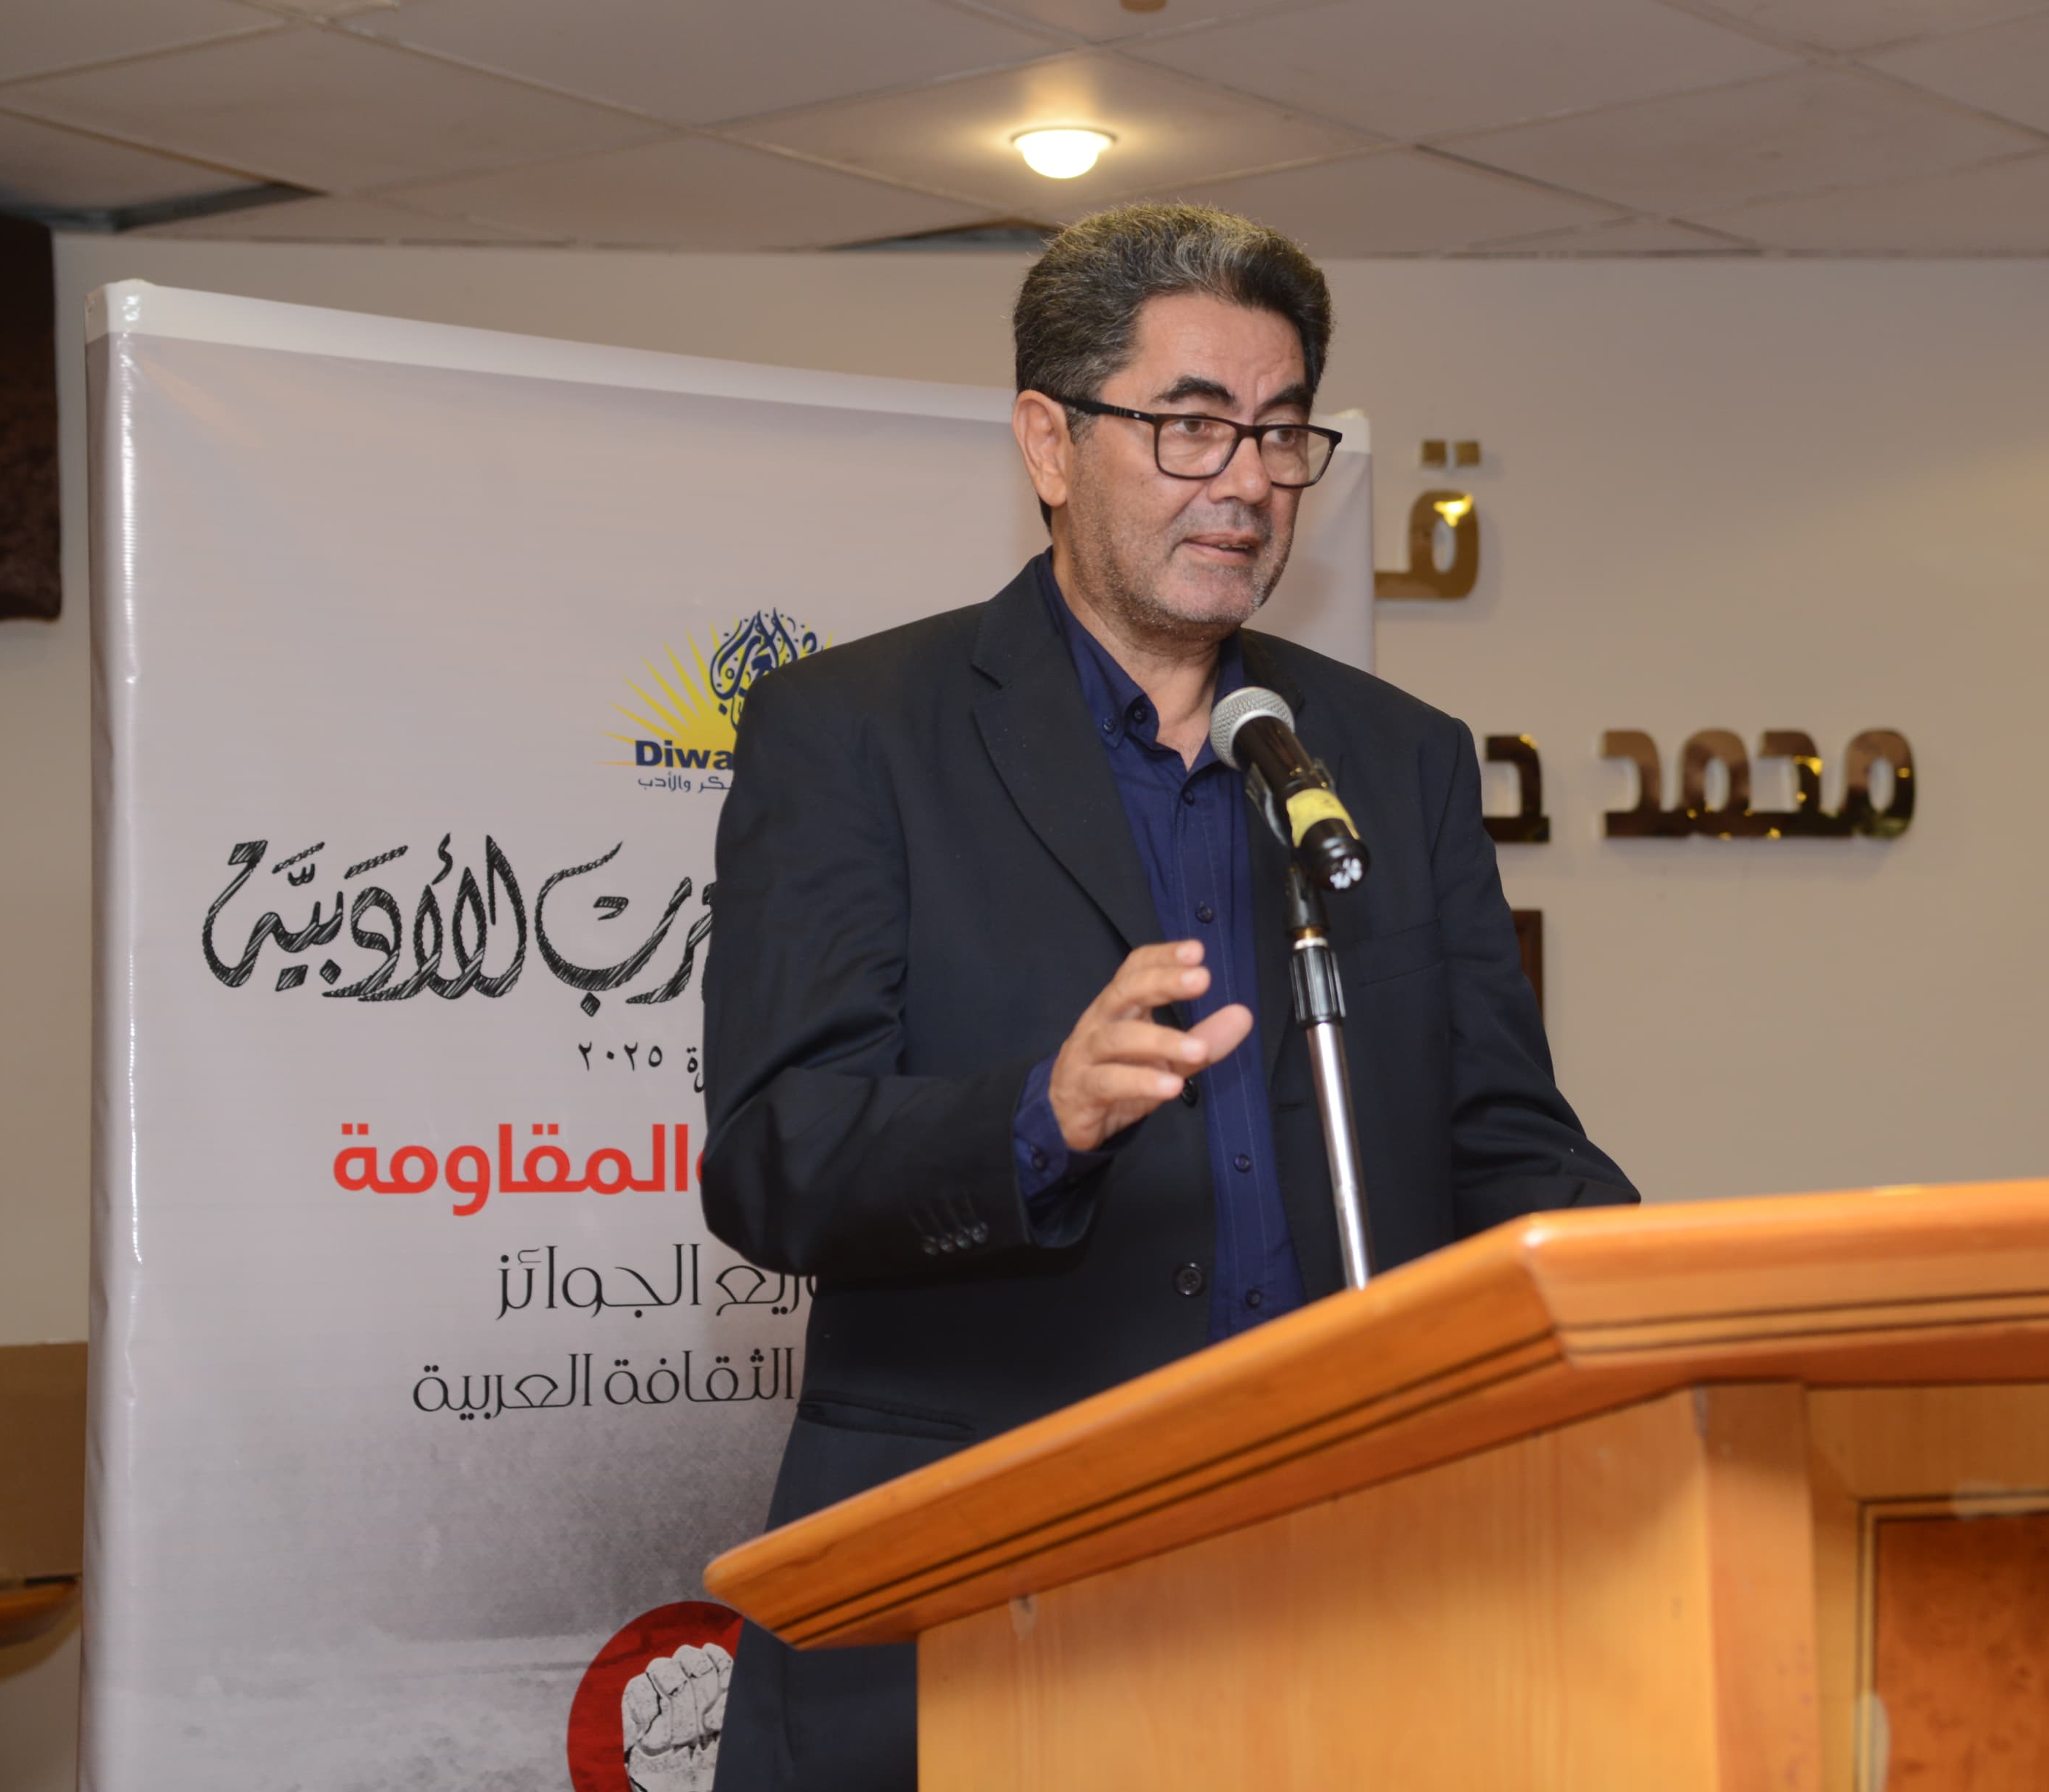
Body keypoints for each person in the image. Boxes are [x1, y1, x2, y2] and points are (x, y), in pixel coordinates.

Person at [700, 201, 1635, 1791]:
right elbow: (775, 1156)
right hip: (979, 1574)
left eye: (1280, 433)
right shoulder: (854, 732)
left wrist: (1670, 1292)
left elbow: (1502, 1141)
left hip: (1344, 1575)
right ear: (1050, 443)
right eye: (1192, 426)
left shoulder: (1392, 759)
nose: (1249, 481)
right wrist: (1038, 1117)